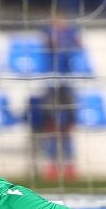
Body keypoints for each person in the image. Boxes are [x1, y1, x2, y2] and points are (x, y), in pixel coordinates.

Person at [34, 12, 82, 183]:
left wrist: (68, 34)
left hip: (67, 85)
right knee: (52, 127)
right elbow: (48, 42)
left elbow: (78, 45)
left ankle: (70, 166)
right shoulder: (47, 37)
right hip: (51, 85)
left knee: (67, 128)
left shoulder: (70, 37)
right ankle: (52, 166)